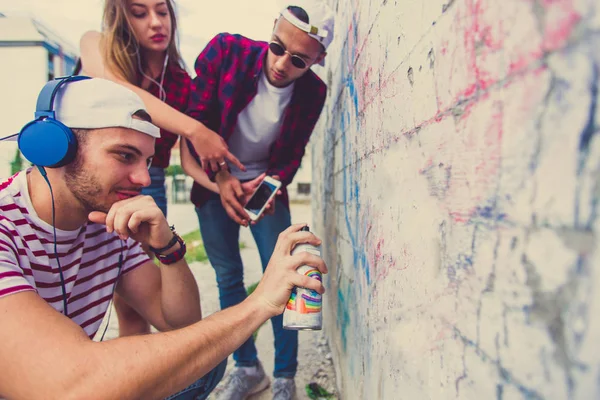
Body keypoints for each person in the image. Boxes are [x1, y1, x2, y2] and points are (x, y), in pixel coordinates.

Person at [0, 77, 326, 400]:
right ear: (56, 149)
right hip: (55, 387)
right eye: (125, 156)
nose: (143, 178)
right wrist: (259, 304)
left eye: (148, 162)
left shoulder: (109, 219)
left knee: (202, 360)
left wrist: (167, 248)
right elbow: (68, 386)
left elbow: (179, 323)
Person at [184, 1, 335, 398]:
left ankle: (285, 377)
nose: (283, 64)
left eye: (300, 60)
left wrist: (271, 184)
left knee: (288, 278)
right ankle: (248, 368)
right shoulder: (226, 52)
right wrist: (222, 180)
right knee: (229, 277)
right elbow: (195, 125)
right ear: (271, 31)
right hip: (212, 182)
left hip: (265, 190)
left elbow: (292, 154)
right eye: (277, 47)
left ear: (318, 60)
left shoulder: (314, 92)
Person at [78, 0, 249, 337]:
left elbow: (188, 160)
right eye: (140, 13)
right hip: (96, 178)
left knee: (135, 302)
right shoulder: (95, 45)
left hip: (149, 182)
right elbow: (116, 88)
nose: (156, 22)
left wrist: (222, 187)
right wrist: (196, 129)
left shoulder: (181, 82)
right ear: (120, 18)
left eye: (162, 11)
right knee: (90, 286)